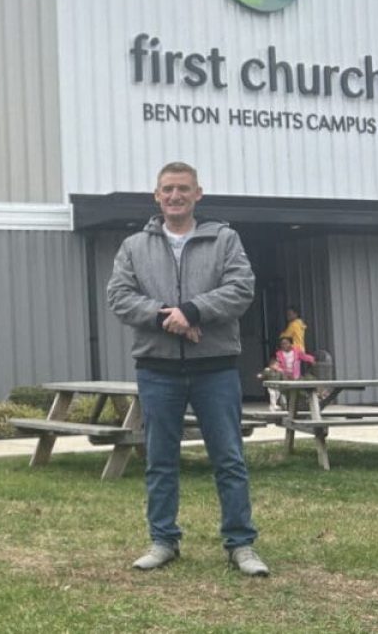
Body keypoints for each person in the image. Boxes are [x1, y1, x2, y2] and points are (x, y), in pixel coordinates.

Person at [107, 161, 268, 576]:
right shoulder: (133, 247)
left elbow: (240, 288)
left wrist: (193, 311)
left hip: (215, 369)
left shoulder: (225, 239)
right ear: (156, 196)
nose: (175, 195)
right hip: (157, 370)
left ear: (198, 193)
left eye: (183, 188)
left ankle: (241, 543)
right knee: (160, 459)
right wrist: (167, 317)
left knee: (229, 458)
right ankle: (163, 540)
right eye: (167, 189)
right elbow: (119, 296)